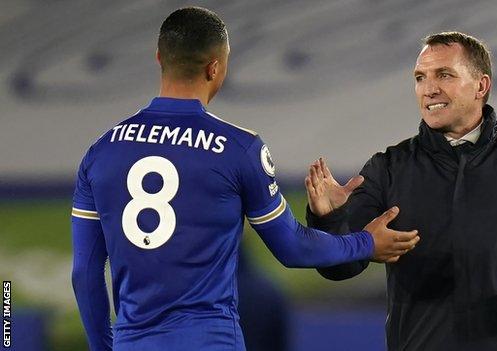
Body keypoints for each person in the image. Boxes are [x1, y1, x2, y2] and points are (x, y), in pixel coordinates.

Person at [70, 7, 419, 351]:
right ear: (215, 67)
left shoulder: (101, 151)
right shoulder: (238, 148)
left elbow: (85, 273)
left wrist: (104, 347)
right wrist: (365, 243)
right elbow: (292, 247)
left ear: (159, 57)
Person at [305, 31, 497, 350]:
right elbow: (339, 267)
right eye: (420, 78)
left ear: (481, 85)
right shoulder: (389, 168)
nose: (429, 89)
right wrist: (330, 219)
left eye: (444, 75)